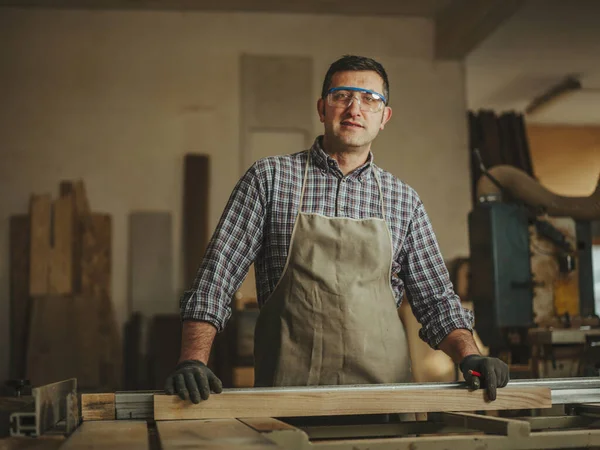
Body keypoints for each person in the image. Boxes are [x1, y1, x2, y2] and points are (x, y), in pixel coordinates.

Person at [165, 55, 509, 404]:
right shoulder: (270, 179)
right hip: (287, 397)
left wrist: (471, 354)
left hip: (383, 399)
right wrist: (193, 359)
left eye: (369, 99)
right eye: (341, 95)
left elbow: (436, 301)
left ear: (384, 117)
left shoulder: (403, 201)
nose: (354, 108)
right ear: (322, 108)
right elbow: (217, 277)